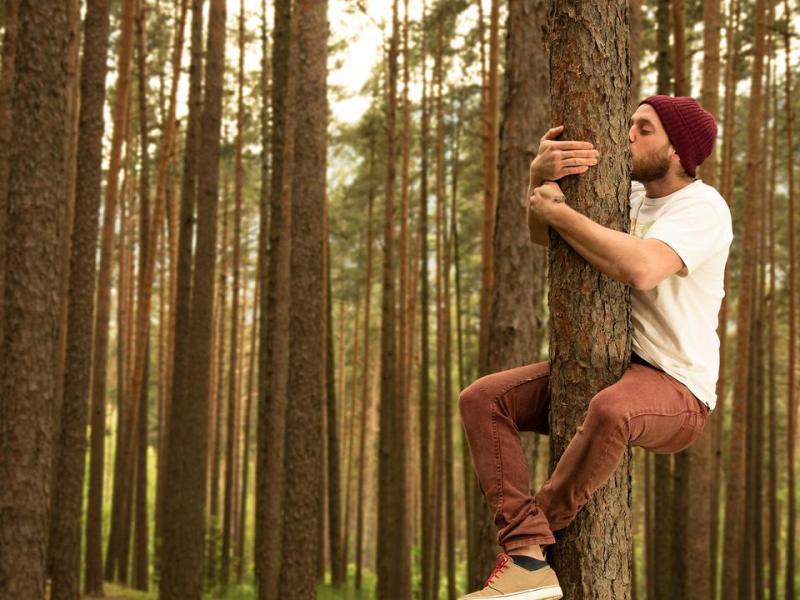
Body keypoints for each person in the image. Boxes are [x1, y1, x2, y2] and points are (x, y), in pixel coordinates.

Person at [458, 95, 733, 600]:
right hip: (616, 366)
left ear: (678, 150)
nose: (627, 134)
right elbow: (545, 235)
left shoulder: (703, 206)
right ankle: (526, 556)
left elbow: (642, 268)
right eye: (631, 124)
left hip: (678, 389)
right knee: (482, 399)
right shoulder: (621, 193)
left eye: (644, 129)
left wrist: (561, 215)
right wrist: (539, 180)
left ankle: (528, 547)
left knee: (611, 410)